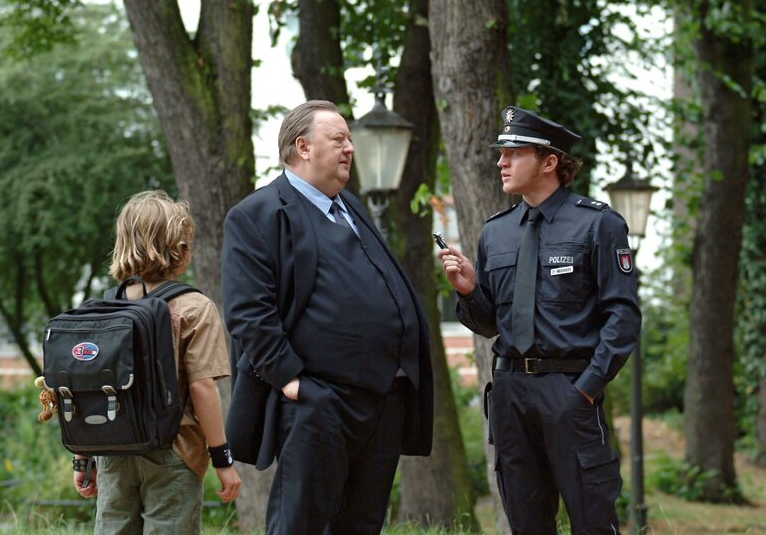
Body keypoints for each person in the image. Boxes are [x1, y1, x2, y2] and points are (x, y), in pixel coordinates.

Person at [222, 100, 433, 535]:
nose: (350, 149)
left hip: (381, 402)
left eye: (350, 140)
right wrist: (294, 384)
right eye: (339, 139)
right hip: (318, 404)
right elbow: (248, 314)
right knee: (302, 525)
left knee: (362, 524)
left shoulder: (350, 207)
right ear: (303, 146)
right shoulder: (257, 215)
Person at [438, 107, 641, 534]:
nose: (501, 162)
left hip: (569, 391)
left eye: (513, 152)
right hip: (510, 395)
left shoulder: (597, 224)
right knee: (526, 524)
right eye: (501, 153)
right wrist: (468, 291)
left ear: (550, 162)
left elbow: (622, 318)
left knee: (593, 521)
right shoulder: (496, 232)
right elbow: (491, 324)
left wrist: (585, 389)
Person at [73, 190, 242, 534]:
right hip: (175, 451)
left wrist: (83, 457)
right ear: (180, 251)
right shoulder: (195, 307)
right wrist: (222, 459)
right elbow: (202, 388)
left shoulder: (104, 311)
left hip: (114, 449)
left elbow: (86, 387)